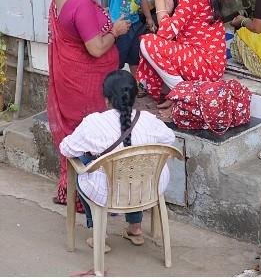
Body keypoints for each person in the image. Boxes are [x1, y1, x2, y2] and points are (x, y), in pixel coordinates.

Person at [47, 0, 131, 208]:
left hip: (69, 77)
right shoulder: (79, 3)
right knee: (90, 136)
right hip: (86, 83)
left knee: (75, 135)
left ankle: (69, 191)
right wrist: (115, 31)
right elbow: (94, 48)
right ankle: (87, 198)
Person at [59, 70, 175, 250]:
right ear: (135, 96)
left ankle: (99, 233)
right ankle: (135, 228)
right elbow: (169, 139)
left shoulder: (93, 123)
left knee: (82, 165)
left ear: (106, 99)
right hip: (150, 187)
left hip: (107, 191)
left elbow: (66, 149)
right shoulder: (150, 121)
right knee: (136, 169)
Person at [135, 0, 226, 109]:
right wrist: (168, 12)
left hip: (207, 64)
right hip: (199, 56)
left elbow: (165, 33)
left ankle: (184, 98)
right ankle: (178, 93)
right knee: (153, 42)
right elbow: (172, 30)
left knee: (149, 43)